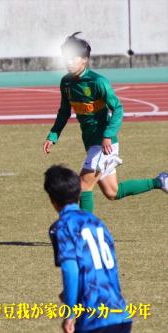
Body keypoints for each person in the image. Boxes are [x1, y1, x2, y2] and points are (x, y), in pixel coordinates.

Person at [42, 32, 167, 213]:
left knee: (83, 187)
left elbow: (118, 108)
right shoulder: (66, 83)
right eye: (66, 58)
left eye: (73, 58)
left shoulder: (98, 81)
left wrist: (108, 135)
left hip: (102, 144)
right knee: (112, 192)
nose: (69, 62)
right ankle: (160, 181)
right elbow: (63, 112)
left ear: (85, 59)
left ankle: (85, 229)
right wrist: (52, 136)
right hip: (91, 142)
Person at [45, 165, 132, 333]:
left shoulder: (62, 226)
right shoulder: (97, 222)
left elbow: (71, 271)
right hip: (120, 313)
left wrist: (69, 314)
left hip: (94, 320)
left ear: (52, 199)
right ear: (79, 193)